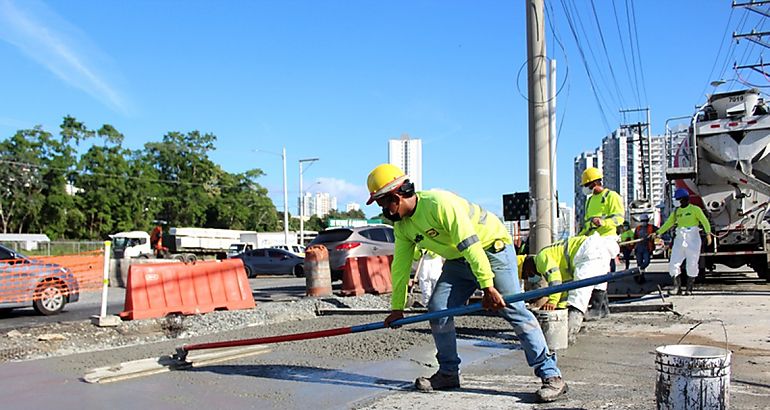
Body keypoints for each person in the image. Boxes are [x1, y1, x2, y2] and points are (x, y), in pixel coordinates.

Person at [366, 164, 567, 402]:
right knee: (438, 309)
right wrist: (396, 308)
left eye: (382, 203)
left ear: (396, 196)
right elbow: (399, 268)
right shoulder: (402, 227)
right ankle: (449, 373)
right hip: (458, 261)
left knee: (512, 308)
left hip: (492, 250)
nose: (382, 210)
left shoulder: (439, 204)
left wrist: (488, 287)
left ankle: (551, 376)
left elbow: (471, 246)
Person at [519, 234, 620, 344]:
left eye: (526, 275)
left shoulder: (541, 258)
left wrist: (552, 301)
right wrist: (559, 309)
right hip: (597, 248)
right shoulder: (557, 260)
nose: (530, 278)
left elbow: (555, 280)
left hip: (587, 251)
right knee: (597, 283)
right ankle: (597, 312)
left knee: (580, 294)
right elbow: (564, 290)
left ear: (526, 266)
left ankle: (569, 334)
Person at [577, 167, 625, 319]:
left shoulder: (611, 196)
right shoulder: (590, 200)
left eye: (586, 185)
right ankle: (603, 308)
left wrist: (603, 222)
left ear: (594, 183)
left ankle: (597, 308)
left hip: (607, 239)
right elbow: (586, 224)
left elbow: (619, 219)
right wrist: (579, 237)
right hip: (592, 240)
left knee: (599, 272)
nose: (586, 188)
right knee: (597, 271)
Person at [655, 188, 712, 296]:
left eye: (678, 199)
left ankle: (689, 289)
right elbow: (668, 224)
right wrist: (658, 232)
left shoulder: (695, 209)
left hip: (693, 238)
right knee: (674, 263)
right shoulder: (676, 212)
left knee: (692, 264)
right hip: (680, 238)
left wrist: (708, 233)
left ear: (684, 199)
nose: (677, 201)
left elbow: (704, 221)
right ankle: (677, 288)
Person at [633, 215, 657, 283]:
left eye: (645, 221)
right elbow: (634, 238)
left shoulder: (652, 227)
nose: (644, 222)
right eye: (642, 221)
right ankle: (641, 277)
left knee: (646, 262)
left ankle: (638, 271)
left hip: (647, 248)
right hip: (639, 248)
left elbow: (658, 232)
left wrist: (655, 235)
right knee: (639, 263)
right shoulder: (638, 228)